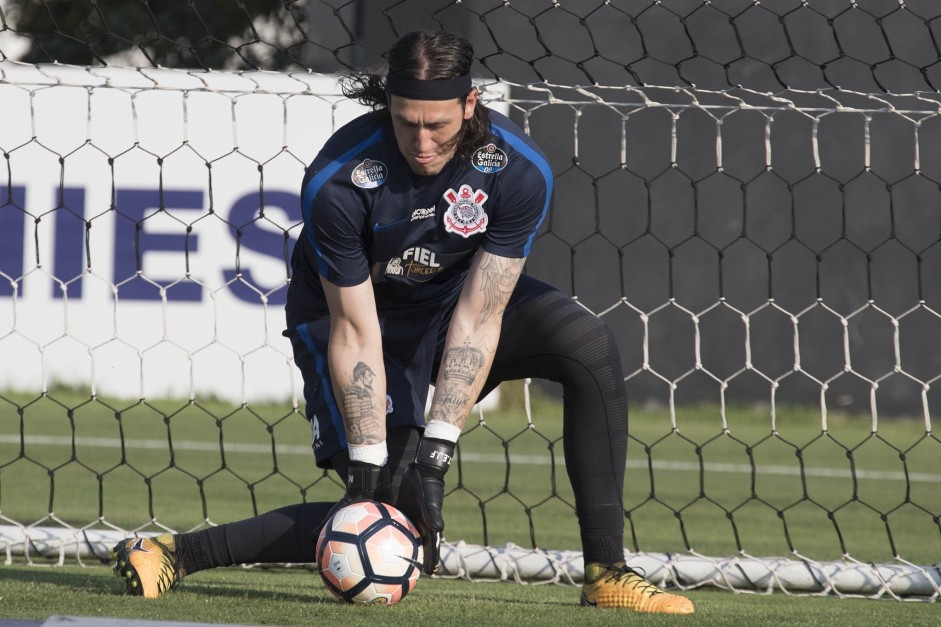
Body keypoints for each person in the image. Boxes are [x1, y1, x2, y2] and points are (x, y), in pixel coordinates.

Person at [110, 30, 694, 615]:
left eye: (437, 126)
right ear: (387, 103)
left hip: (453, 302)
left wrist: (438, 450)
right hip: (358, 321)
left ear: (470, 106)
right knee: (390, 507)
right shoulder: (338, 182)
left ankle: (606, 571)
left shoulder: (518, 170)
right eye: (405, 122)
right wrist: (367, 459)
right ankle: (172, 553)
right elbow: (354, 332)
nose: (421, 141)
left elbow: (480, 314)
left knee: (587, 345)